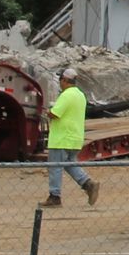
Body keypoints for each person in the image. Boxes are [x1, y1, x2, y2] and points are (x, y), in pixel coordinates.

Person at [44, 68, 99, 207]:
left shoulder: (66, 95)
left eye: (60, 80)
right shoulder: (80, 95)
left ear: (64, 80)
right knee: (69, 164)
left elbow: (56, 113)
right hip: (75, 138)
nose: (59, 83)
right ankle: (88, 184)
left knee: (55, 167)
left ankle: (54, 196)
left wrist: (47, 112)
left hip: (61, 138)